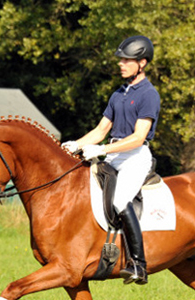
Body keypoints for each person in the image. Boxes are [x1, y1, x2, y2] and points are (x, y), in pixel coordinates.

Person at [62, 35, 160, 285]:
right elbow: (100, 130)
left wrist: (102, 150)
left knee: (119, 199)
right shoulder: (118, 94)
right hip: (114, 154)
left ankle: (138, 264)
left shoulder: (149, 94)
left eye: (127, 60)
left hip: (135, 157)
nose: (121, 64)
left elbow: (138, 137)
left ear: (143, 63)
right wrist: (77, 144)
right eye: (121, 59)